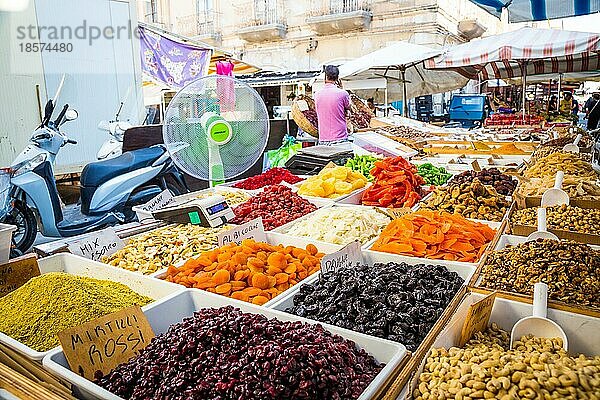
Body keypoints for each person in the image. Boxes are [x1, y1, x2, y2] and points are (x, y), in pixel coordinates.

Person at [314, 65, 351, 145]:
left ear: (325, 76)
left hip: (323, 139)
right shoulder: (343, 93)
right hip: (340, 138)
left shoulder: (317, 94)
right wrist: (341, 88)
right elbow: (348, 107)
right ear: (337, 78)